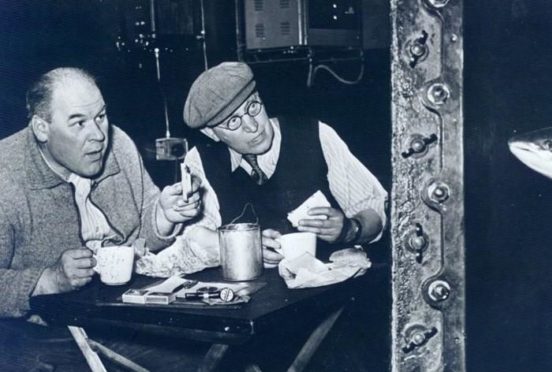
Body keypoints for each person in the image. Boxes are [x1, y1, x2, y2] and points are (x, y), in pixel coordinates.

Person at [0, 67, 204, 371]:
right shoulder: (6, 177)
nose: (97, 135)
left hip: (122, 319)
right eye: (78, 123)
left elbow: (143, 227)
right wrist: (47, 279)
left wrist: (164, 216)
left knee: (203, 362)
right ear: (42, 129)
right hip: (38, 335)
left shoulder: (118, 145)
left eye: (100, 116)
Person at [183, 61, 387, 267]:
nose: (253, 126)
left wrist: (350, 229)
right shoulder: (200, 161)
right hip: (251, 293)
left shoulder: (316, 135)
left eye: (253, 106)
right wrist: (243, 246)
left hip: (328, 290)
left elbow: (376, 211)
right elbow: (193, 238)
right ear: (211, 133)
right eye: (233, 122)